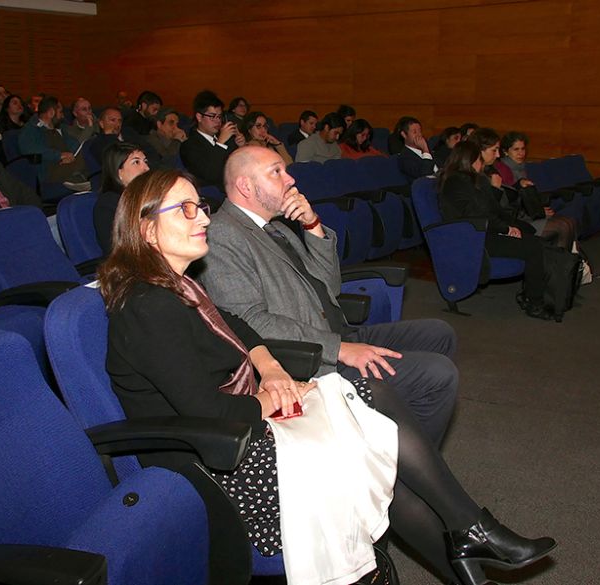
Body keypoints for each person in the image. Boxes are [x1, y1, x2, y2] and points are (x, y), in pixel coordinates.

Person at [101, 167, 557, 585]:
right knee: (370, 433)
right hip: (222, 466)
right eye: (185, 209)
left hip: (238, 428)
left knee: (374, 435)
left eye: (200, 205)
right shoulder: (149, 306)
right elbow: (210, 411)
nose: (203, 217)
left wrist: (271, 369)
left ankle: (468, 537)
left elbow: (237, 325)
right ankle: (471, 532)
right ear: (147, 229)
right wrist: (277, 397)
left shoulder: (179, 286)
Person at [198, 145, 457, 445]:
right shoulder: (223, 234)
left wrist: (312, 225)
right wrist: (339, 349)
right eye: (276, 172)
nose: (290, 179)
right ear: (245, 186)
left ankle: (395, 439)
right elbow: (250, 321)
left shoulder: (277, 228)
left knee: (439, 334)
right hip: (308, 359)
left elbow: (330, 286)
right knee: (438, 374)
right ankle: (411, 464)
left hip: (337, 333)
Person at [439, 141, 553, 321]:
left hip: (483, 230)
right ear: (471, 161)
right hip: (472, 238)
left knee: (532, 237)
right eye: (479, 159)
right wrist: (506, 229)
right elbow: (477, 215)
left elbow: (493, 210)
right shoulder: (456, 182)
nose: (482, 163)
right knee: (533, 247)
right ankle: (534, 303)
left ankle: (534, 293)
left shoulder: (472, 180)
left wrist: (514, 225)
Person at [470, 128, 575, 250]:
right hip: (505, 223)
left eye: (523, 149)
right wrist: (497, 189)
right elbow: (492, 209)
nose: (497, 155)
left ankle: (565, 258)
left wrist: (519, 187)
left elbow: (508, 199)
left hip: (513, 217)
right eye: (494, 150)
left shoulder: (493, 170)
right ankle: (563, 259)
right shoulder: (495, 171)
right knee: (562, 226)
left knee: (567, 223)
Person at [93, 142, 150, 253]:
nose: (146, 168)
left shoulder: (149, 196)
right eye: (136, 162)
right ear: (118, 172)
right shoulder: (108, 205)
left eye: (145, 161)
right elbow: (119, 250)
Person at [179, 90, 243, 190]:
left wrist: (242, 147)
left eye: (219, 117)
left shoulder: (228, 139)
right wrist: (220, 143)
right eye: (212, 116)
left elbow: (240, 166)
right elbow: (210, 175)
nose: (217, 121)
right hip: (212, 194)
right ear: (199, 117)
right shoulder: (189, 145)